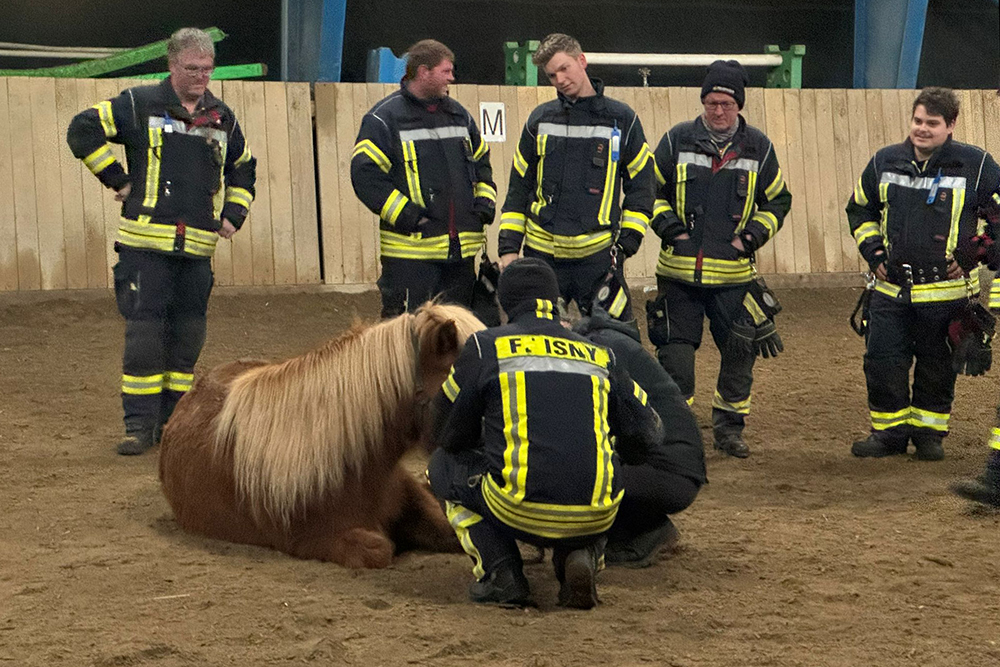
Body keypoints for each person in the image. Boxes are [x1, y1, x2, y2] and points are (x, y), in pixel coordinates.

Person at [427, 258, 664, 608]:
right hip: (597, 512)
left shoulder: (485, 347)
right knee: (600, 460)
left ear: (505, 303)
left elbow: (446, 433)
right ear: (555, 301)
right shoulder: (601, 355)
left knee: (442, 466)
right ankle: (582, 550)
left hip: (517, 508)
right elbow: (649, 433)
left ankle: (501, 574)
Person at [66, 27, 256, 456]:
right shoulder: (138, 104)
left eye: (207, 69)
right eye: (192, 69)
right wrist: (117, 178)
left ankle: (173, 426)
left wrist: (234, 213)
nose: (201, 77)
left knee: (187, 340)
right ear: (172, 65)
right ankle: (139, 427)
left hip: (197, 252)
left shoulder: (222, 117)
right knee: (145, 339)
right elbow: (82, 129)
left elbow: (243, 167)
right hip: (145, 249)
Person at [647, 60, 792, 458]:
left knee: (739, 354)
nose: (718, 110)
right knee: (675, 358)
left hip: (733, 278)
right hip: (678, 276)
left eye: (726, 103)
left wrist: (749, 239)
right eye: (711, 102)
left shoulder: (759, 147)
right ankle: (676, 432)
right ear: (703, 102)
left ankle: (729, 430)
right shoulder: (676, 140)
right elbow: (648, 191)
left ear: (739, 105)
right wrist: (672, 231)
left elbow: (778, 200)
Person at [846, 87, 1000, 461]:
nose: (922, 129)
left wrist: (975, 253)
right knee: (883, 363)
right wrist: (874, 253)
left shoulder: (977, 165)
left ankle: (929, 436)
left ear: (951, 125)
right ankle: (888, 435)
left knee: (937, 368)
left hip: (947, 295)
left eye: (932, 123)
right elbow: (860, 210)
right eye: (918, 121)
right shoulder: (884, 161)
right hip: (889, 292)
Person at [498, 33, 655, 320]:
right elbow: (518, 188)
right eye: (551, 75)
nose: (559, 79)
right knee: (537, 339)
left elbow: (642, 187)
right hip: (542, 257)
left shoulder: (623, 119)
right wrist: (509, 248)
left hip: (598, 260)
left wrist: (627, 244)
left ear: (581, 61)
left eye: (564, 68)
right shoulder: (539, 119)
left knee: (617, 339)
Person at [351, 39, 496, 318]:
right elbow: (365, 175)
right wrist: (409, 216)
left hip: (461, 255)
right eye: (446, 71)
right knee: (407, 334)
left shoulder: (459, 115)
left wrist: (484, 205)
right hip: (410, 257)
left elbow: (482, 163)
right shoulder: (384, 119)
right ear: (423, 72)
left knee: (455, 334)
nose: (452, 78)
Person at [572, 302, 706, 567]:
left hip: (666, 472)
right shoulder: (608, 341)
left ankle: (645, 530)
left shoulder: (598, 351)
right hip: (678, 466)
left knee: (577, 477)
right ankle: (638, 527)